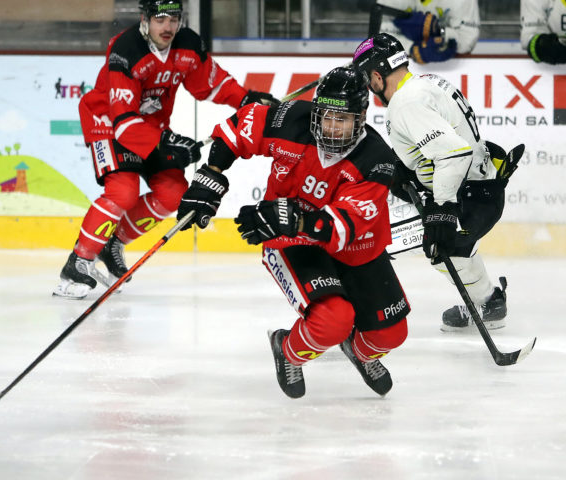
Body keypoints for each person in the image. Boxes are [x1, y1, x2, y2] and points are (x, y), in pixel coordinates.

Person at [175, 66, 411, 399]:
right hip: (289, 237)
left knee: (390, 335)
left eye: (342, 120)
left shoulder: (377, 161)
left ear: (361, 117)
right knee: (333, 321)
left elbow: (342, 228)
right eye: (326, 116)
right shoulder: (291, 119)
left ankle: (359, 351)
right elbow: (236, 130)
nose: (330, 127)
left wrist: (296, 218)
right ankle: (287, 349)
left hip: (352, 245)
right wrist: (210, 175)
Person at [54, 0, 278, 299]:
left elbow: (211, 83)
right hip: (108, 122)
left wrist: (246, 99)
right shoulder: (127, 49)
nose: (168, 27)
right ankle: (78, 263)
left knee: (173, 193)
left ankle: (112, 244)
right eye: (161, 19)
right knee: (123, 192)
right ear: (144, 19)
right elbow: (122, 119)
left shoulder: (187, 44)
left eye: (174, 19)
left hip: (151, 127)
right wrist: (165, 146)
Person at [352, 33, 523, 332]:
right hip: (482, 188)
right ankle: (488, 302)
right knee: (451, 249)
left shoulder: (406, 103)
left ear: (378, 75)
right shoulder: (427, 82)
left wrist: (443, 209)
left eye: (368, 78)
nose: (369, 86)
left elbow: (454, 153)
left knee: (429, 247)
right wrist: (408, 164)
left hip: (469, 198)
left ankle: (485, 300)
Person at [367, 0, 479, 63]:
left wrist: (439, 32)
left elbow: (467, 40)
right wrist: (412, 48)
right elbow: (381, 39)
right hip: (404, 67)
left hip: (454, 68)